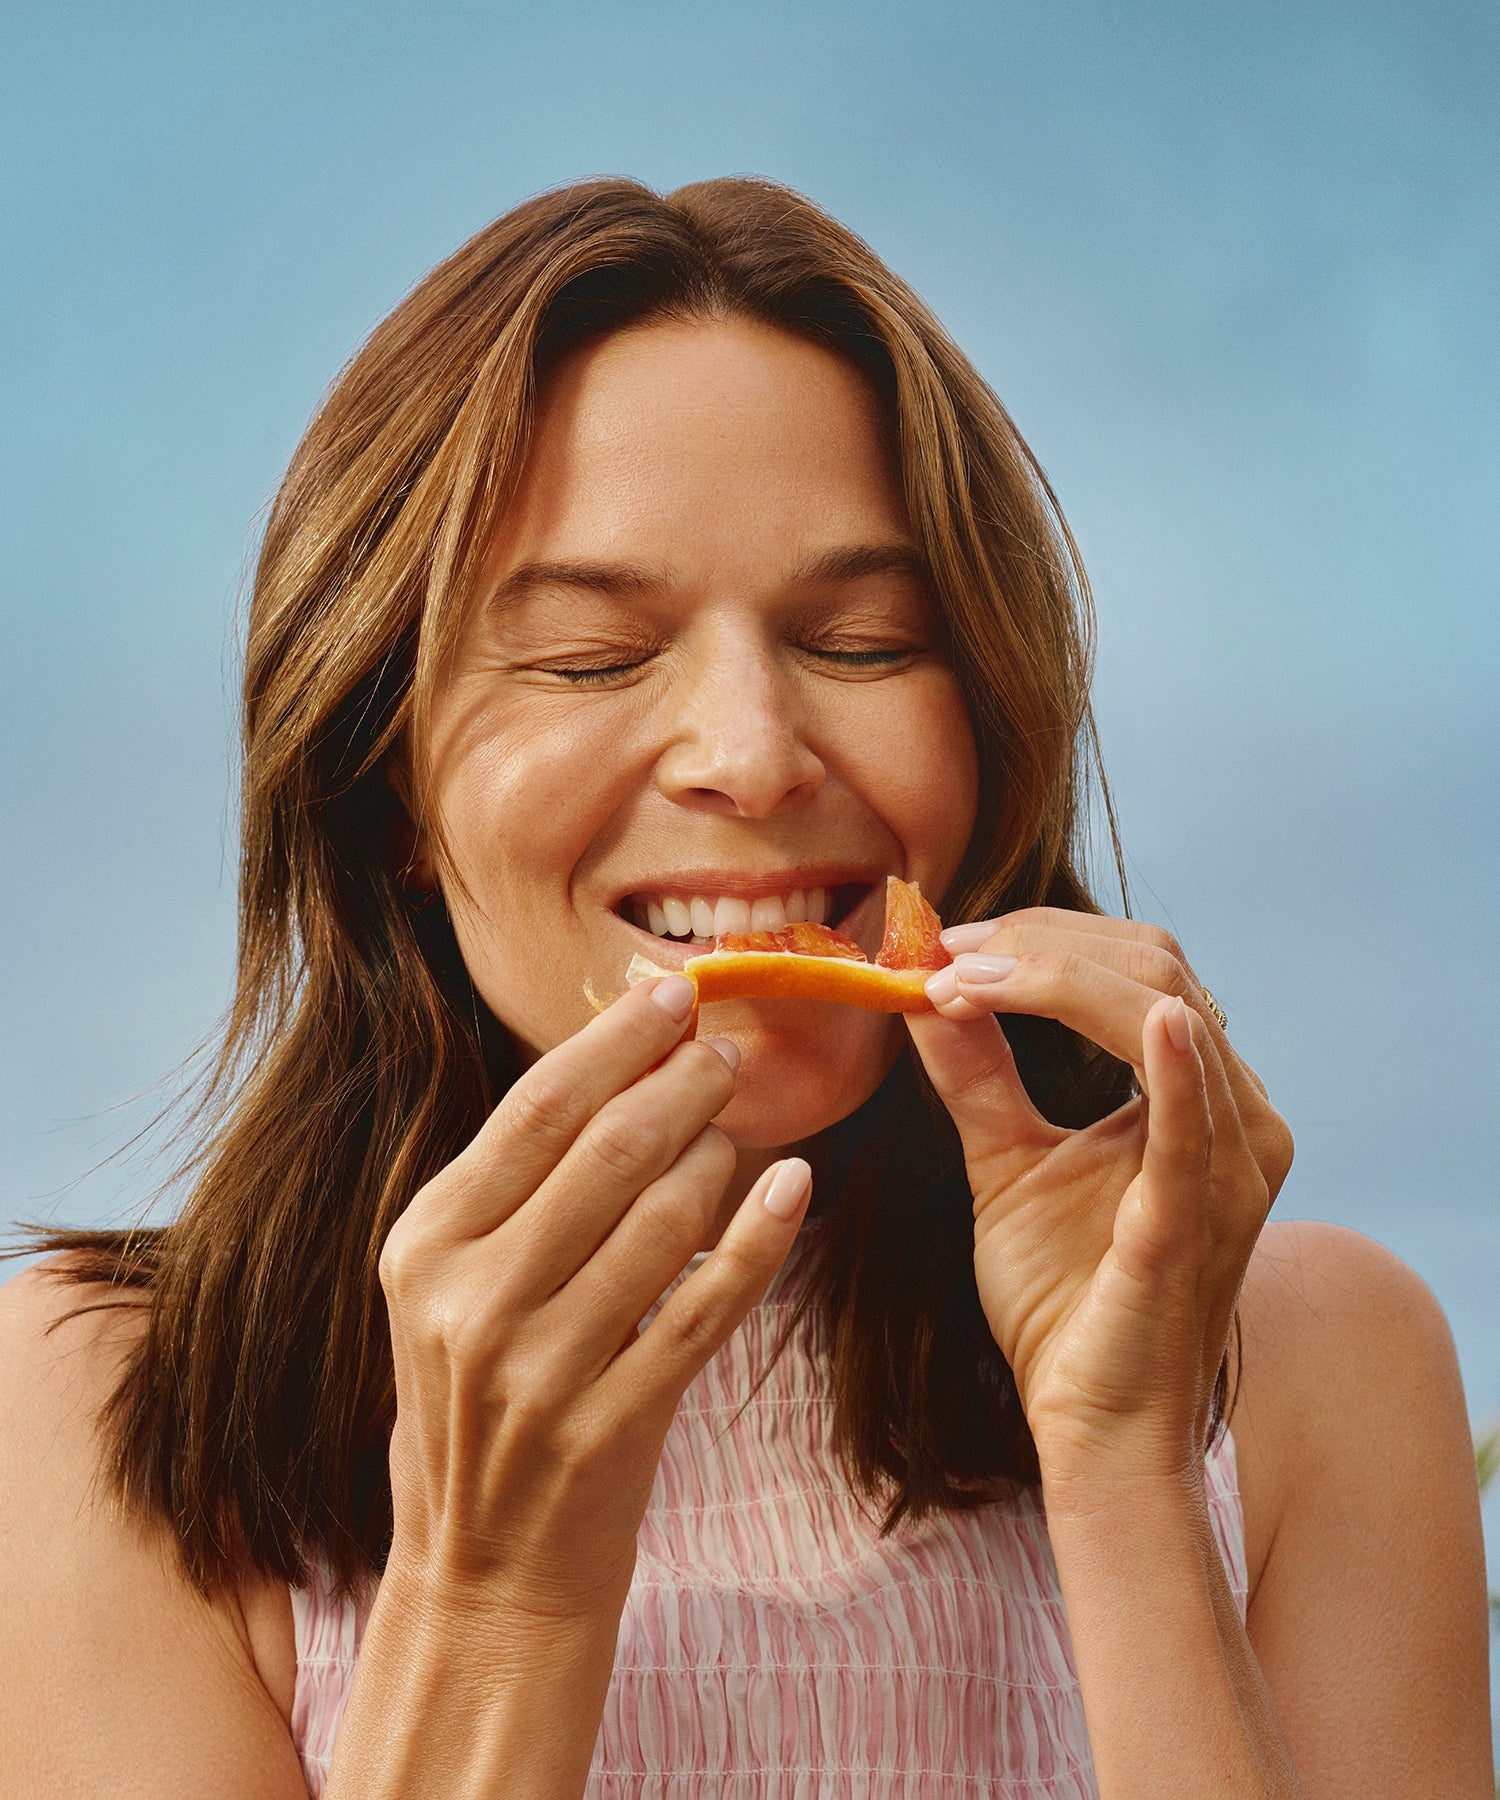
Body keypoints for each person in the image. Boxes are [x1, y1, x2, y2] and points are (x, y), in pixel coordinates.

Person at [0, 177, 1489, 1800]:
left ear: (992, 742)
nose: (756, 757)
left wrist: (1132, 1480)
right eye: (589, 660)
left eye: (862, 642)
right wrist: (490, 1603)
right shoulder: (100, 1407)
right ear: (388, 794)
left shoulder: (1317, 1363)